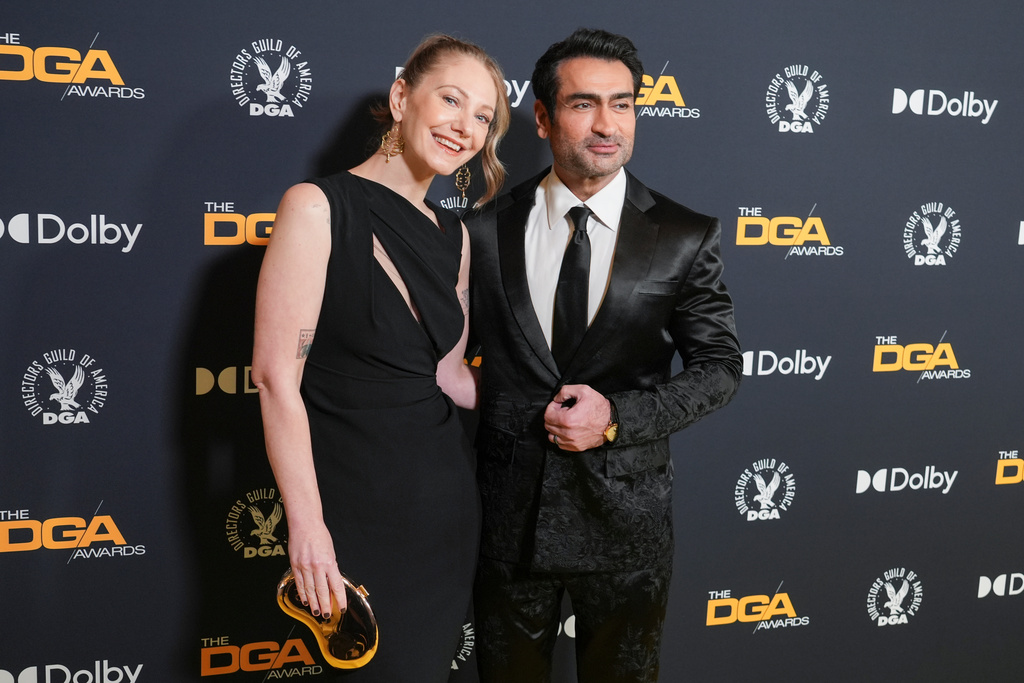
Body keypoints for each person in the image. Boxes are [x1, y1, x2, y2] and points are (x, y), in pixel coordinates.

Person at [465, 28, 742, 682]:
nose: (607, 124)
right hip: (507, 522)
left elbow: (719, 368)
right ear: (541, 116)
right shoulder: (482, 229)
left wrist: (615, 418)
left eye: (623, 104)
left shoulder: (683, 234)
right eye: (584, 103)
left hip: (628, 525)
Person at [251, 34, 509, 681]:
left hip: (444, 505)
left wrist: (542, 397)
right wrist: (308, 529)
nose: (465, 127)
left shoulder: (455, 235)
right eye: (451, 99)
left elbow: (450, 375)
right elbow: (277, 378)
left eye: (483, 116)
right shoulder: (316, 208)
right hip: (354, 508)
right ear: (401, 97)